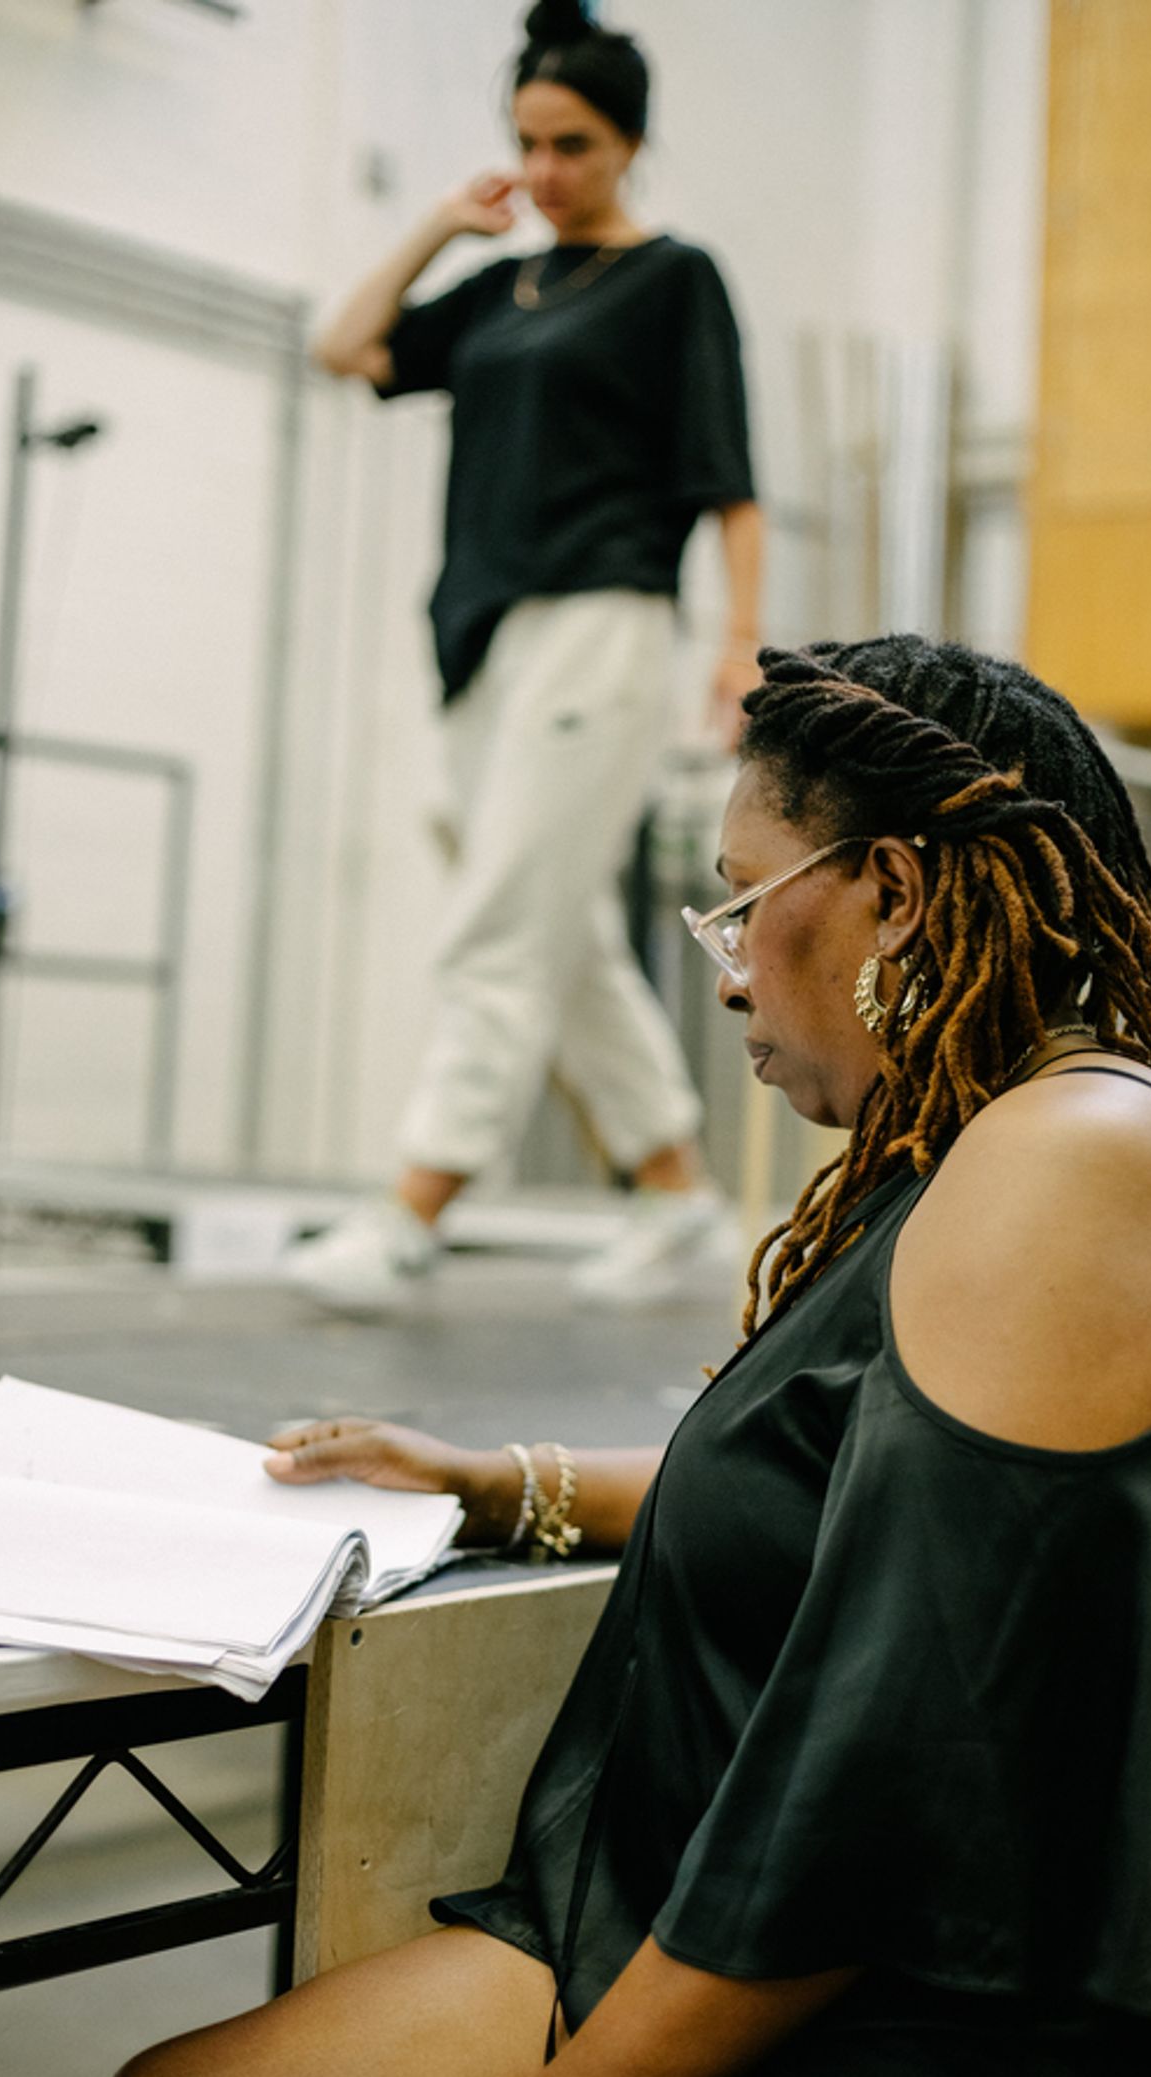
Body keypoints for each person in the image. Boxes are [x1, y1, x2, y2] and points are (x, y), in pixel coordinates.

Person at [109, 634, 1151, 2077]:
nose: (726, 982)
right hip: (722, 1915)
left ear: (896, 892)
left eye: (739, 906)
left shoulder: (1073, 1163)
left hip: (946, 2015)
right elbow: (845, 1492)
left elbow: (876, 1793)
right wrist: (498, 1486)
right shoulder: (988, 1142)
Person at [287, 0, 762, 1315]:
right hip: (477, 635)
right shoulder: (508, 286)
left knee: (499, 922)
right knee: (553, 919)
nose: (546, 170)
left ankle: (414, 1208)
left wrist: (737, 646)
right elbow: (343, 346)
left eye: (573, 146)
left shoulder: (676, 280)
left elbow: (730, 478)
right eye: (528, 143)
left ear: (631, 145)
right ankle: (674, 1186)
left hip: (602, 623)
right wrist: (446, 224)